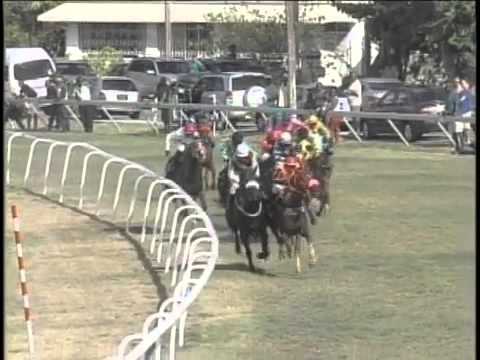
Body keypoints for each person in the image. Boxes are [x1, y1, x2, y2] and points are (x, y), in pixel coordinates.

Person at [227, 142, 260, 213]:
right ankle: (230, 208)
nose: (243, 159)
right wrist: (237, 180)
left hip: (251, 177)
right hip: (238, 177)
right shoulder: (233, 160)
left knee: (259, 189)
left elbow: (256, 169)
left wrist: (254, 178)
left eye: (245, 157)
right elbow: (231, 173)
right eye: (241, 157)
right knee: (233, 189)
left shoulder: (253, 157)